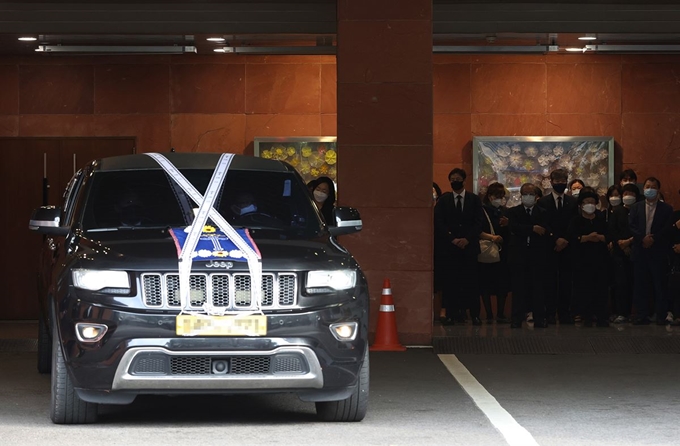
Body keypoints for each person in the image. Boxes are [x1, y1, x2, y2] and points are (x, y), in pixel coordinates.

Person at [434, 168, 484, 326]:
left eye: (458, 178)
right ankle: (451, 314)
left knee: (472, 282)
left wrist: (467, 239)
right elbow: (439, 223)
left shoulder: (474, 199)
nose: (455, 181)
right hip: (449, 248)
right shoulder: (444, 200)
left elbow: (478, 222)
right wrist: (452, 239)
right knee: (450, 283)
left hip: (469, 248)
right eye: (452, 179)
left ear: (463, 180)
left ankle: (475, 314)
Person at [629, 177, 675, 325]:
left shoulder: (666, 209)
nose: (650, 189)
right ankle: (641, 314)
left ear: (658, 189)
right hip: (640, 250)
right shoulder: (636, 207)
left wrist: (653, 239)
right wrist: (642, 238)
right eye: (648, 186)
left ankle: (661, 315)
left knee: (659, 284)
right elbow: (632, 226)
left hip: (658, 251)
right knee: (640, 284)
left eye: (653, 186)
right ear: (643, 189)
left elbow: (667, 229)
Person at [507, 183, 551, 328]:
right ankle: (517, 318)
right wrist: (532, 228)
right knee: (518, 288)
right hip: (519, 255)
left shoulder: (543, 212)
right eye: (525, 194)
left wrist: (528, 229)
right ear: (521, 195)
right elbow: (514, 227)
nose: (528, 197)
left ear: (536, 196)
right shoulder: (514, 212)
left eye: (531, 194)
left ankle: (539, 318)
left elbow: (544, 230)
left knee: (538, 288)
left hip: (537, 255)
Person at [538, 168, 578, 324]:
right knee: (549, 281)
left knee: (566, 282)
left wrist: (565, 239)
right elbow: (543, 223)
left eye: (563, 181)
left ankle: (564, 313)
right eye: (557, 181)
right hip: (550, 247)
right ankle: (550, 312)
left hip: (567, 247)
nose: (560, 183)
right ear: (551, 181)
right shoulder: (543, 201)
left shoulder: (573, 202)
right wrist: (555, 239)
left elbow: (574, 223)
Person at [568, 189, 610, 327]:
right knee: (584, 288)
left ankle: (601, 316)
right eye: (586, 202)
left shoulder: (601, 220)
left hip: (600, 260)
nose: (590, 205)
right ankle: (586, 315)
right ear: (580, 205)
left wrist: (600, 238)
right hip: (582, 261)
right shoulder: (576, 221)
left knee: (601, 288)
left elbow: (609, 236)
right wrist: (586, 238)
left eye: (592, 202)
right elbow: (572, 238)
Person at [478, 182, 510, 323]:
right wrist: (492, 237)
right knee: (485, 283)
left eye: (502, 197)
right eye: (497, 196)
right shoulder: (482, 211)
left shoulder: (505, 211)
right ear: (490, 197)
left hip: (502, 253)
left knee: (502, 284)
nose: (500, 200)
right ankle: (489, 314)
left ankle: (501, 313)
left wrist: (507, 224)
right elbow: (477, 230)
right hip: (488, 251)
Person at [608, 184, 639, 323]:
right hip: (619, 252)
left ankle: (634, 312)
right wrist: (621, 243)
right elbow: (612, 230)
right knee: (620, 283)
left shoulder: (639, 210)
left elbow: (641, 229)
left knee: (634, 282)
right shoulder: (618, 211)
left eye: (631, 193)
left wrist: (629, 242)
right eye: (626, 193)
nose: (628, 195)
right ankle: (621, 312)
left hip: (635, 250)